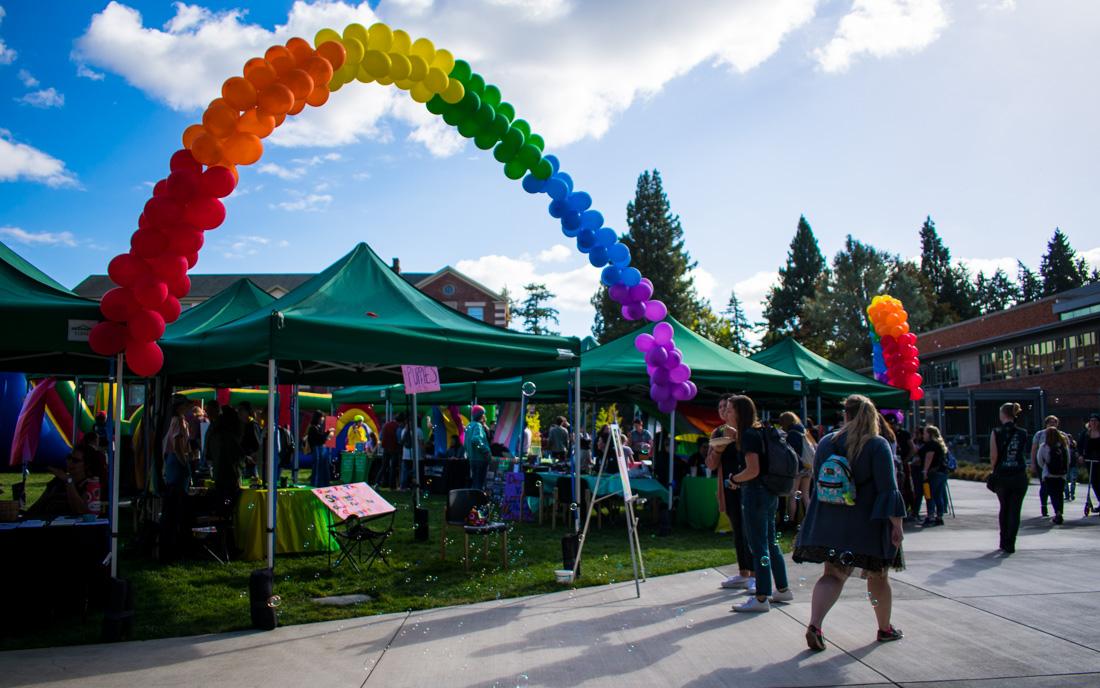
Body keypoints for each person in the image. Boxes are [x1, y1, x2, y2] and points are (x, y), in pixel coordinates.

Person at [795, 394, 906, 650]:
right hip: (866, 524)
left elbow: (818, 482)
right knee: (878, 577)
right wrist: (897, 526)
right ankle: (884, 628)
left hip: (830, 522)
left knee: (832, 574)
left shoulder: (825, 443)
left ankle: (815, 625)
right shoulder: (877, 444)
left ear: (845, 414)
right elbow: (888, 489)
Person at [724, 395, 792, 612]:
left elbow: (753, 470)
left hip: (756, 493)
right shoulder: (759, 430)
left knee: (758, 546)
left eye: (729, 409)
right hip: (769, 492)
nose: (726, 413)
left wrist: (734, 479)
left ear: (739, 412)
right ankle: (782, 588)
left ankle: (761, 597)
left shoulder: (749, 436)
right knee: (770, 542)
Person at [707, 396, 754, 593]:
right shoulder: (717, 432)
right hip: (728, 487)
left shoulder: (748, 432)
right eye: (720, 407)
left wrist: (736, 439)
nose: (723, 410)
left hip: (748, 486)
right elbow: (710, 464)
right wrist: (718, 450)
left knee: (749, 531)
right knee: (737, 529)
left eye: (727, 407)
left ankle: (755, 575)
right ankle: (743, 573)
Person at [989, 402, 1030, 554]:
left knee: (1004, 508)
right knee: (1015, 510)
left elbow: (993, 456)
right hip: (1019, 475)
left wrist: (994, 470)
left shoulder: (996, 432)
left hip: (1002, 475)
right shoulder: (1023, 433)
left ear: (1003, 414)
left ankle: (1003, 539)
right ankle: (1011, 542)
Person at [25, 449, 94, 519]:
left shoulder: (89, 485)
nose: (70, 462)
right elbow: (38, 506)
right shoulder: (58, 482)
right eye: (69, 458)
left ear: (86, 465)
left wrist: (68, 481)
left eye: (75, 461)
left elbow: (80, 510)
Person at [779, 411, 814, 526]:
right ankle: (809, 521)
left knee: (793, 494)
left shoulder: (792, 434)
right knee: (805, 495)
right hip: (808, 466)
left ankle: (791, 521)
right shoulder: (804, 430)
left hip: (798, 468)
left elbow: (792, 453)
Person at [207, 404, 244, 508]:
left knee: (222, 499)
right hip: (230, 472)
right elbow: (237, 453)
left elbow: (209, 452)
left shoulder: (215, 431)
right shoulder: (229, 435)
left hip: (219, 472)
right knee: (230, 500)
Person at [1036, 426, 1069, 525]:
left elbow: (1040, 461)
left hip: (1049, 474)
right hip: (1061, 475)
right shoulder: (1063, 446)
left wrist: (1046, 467)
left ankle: (1057, 513)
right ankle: (1060, 512)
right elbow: (1068, 460)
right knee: (1059, 494)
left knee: (1053, 494)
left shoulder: (1044, 446)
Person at [1031, 415, 1062, 517]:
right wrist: (1033, 464)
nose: (1052, 424)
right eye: (1050, 422)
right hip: (1043, 465)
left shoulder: (1062, 435)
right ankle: (1044, 505)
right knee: (1045, 486)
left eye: (1054, 422)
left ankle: (1058, 510)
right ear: (1046, 424)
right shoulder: (1039, 435)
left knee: (1058, 488)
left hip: (1057, 465)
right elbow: (1034, 449)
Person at [920, 426, 949, 527]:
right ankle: (939, 516)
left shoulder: (931, 445)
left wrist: (925, 471)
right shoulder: (939, 444)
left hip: (933, 473)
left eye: (924, 433)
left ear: (930, 434)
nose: (923, 435)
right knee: (938, 495)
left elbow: (929, 457)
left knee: (929, 494)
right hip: (942, 472)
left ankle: (930, 516)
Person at [465, 405, 492, 490]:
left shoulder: (469, 425)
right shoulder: (477, 426)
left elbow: (465, 443)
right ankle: (477, 502)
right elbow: (475, 439)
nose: (484, 416)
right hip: (480, 460)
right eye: (483, 414)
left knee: (475, 483)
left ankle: (473, 501)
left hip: (472, 459)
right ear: (481, 415)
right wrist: (486, 451)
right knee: (479, 485)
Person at [1077, 413, 1100, 509]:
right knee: (1094, 481)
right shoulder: (1085, 433)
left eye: (1095, 421)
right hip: (1090, 460)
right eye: (1092, 421)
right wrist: (1081, 456)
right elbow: (1080, 446)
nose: (1093, 423)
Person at [306, 411, 333, 488]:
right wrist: (327, 432)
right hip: (317, 450)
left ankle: (322, 484)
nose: (323, 419)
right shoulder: (313, 428)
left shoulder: (317, 427)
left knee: (323, 468)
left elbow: (321, 438)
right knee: (317, 468)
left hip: (321, 450)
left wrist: (326, 435)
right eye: (322, 417)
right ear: (318, 418)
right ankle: (315, 484)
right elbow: (319, 439)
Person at [238, 402, 262, 482]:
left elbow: (258, 444)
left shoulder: (252, 425)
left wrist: (252, 456)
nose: (239, 412)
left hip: (251, 462)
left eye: (241, 410)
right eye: (239, 410)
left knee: (252, 483)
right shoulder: (241, 425)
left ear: (248, 412)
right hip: (242, 460)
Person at [909, 426, 927, 522]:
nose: (916, 435)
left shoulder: (924, 445)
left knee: (921, 491)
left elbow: (916, 453)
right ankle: (914, 511)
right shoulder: (917, 442)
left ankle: (916, 511)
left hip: (921, 470)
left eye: (917, 433)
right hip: (915, 469)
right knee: (916, 491)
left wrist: (911, 441)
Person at [379, 413, 401, 488]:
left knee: (384, 466)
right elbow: (399, 439)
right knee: (393, 467)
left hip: (385, 447)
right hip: (394, 448)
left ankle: (378, 483)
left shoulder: (386, 425)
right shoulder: (398, 426)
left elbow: (381, 437)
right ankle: (392, 485)